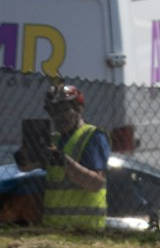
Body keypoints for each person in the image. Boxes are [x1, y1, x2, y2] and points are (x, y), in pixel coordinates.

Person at [14, 81, 109, 231]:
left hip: (84, 231)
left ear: (79, 109)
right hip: (54, 230)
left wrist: (62, 160)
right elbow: (26, 167)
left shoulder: (93, 137)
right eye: (53, 111)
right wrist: (23, 156)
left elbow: (95, 183)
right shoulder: (55, 140)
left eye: (64, 109)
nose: (58, 116)